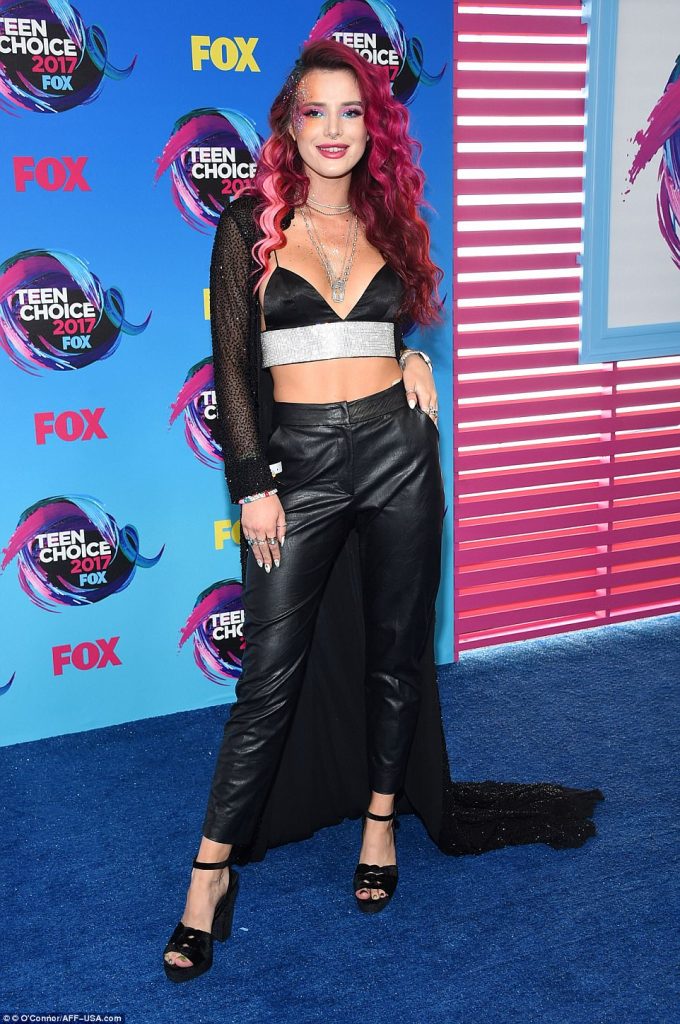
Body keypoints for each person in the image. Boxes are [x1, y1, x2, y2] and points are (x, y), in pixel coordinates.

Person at [163, 39, 604, 983]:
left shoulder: (389, 217)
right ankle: (208, 877)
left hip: (398, 453)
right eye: (314, 111)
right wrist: (251, 486)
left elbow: (382, 321)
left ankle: (379, 823)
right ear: (289, 124)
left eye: (352, 111)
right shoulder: (248, 223)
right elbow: (233, 366)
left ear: (374, 126)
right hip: (300, 466)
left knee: (397, 653)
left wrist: (409, 355)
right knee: (266, 681)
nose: (333, 129)